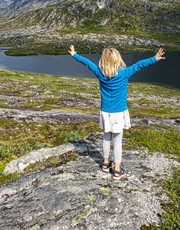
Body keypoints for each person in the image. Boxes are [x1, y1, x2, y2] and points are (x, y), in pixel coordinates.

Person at [68, 45, 165, 180]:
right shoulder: (124, 73)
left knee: (106, 137)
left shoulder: (100, 72)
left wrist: (75, 55)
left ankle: (105, 163)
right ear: (117, 60)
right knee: (117, 141)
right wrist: (154, 58)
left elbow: (88, 64)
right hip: (119, 113)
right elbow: (139, 65)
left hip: (105, 112)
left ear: (104, 61)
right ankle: (117, 170)